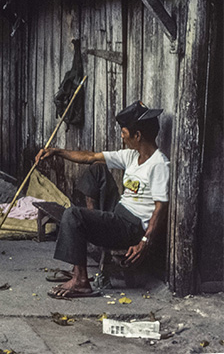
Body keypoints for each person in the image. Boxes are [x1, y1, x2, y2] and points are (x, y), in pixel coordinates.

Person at [36, 101, 170, 299]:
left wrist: (144, 241)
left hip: (131, 228)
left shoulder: (159, 164)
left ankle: (81, 281)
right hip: (119, 215)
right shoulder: (132, 156)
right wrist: (57, 152)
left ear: (138, 135)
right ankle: (77, 270)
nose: (123, 139)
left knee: (73, 215)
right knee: (97, 169)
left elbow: (160, 208)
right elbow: (91, 157)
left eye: (124, 133)